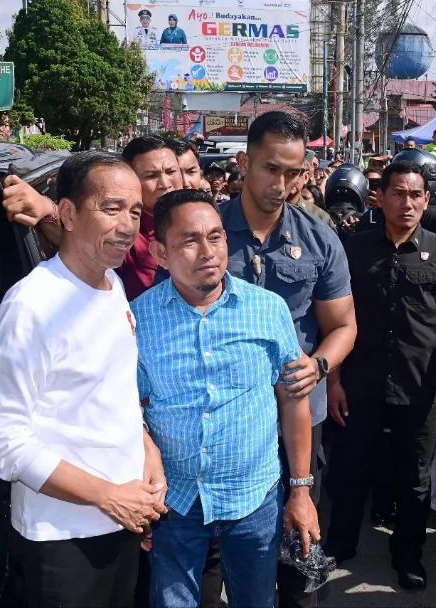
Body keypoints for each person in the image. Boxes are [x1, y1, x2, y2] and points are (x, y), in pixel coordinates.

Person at [0, 151, 166, 608]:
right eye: (111, 208)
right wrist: (107, 496)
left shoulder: (110, 283)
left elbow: (110, 393)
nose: (127, 226)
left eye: (136, 212)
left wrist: (146, 447)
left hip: (121, 522)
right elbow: (2, 440)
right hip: (62, 539)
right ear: (66, 213)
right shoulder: (32, 307)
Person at [133, 189, 316, 608]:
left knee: (255, 601)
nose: (207, 252)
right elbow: (130, 411)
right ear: (160, 252)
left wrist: (301, 492)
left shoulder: (267, 310)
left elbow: (293, 399)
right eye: (189, 240)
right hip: (174, 503)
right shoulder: (136, 318)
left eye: (215, 237)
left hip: (253, 497)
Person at [218, 112, 356, 607]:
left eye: (294, 173)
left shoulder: (320, 239)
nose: (283, 184)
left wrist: (318, 366)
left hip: (298, 416)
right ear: (243, 164)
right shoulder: (208, 234)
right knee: (223, 549)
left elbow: (343, 326)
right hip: (224, 419)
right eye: (271, 169)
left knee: (300, 539)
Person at [326, 162, 436, 590]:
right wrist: (333, 380)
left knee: (415, 477)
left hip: (420, 387)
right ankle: (340, 544)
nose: (406, 203)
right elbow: (335, 319)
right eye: (398, 193)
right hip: (358, 384)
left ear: (427, 200)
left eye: (415, 195)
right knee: (351, 468)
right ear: (380, 197)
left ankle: (408, 553)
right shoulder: (354, 247)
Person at [0, 135, 184, 300]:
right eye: (151, 175)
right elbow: (84, 235)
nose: (165, 184)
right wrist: (47, 208)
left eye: (171, 172)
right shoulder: (126, 229)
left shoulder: (201, 215)